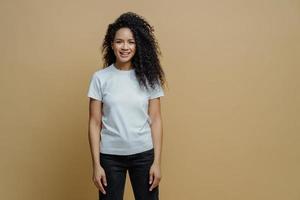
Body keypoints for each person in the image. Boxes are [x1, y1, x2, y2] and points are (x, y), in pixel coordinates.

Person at [87, 12, 167, 200]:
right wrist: (96, 165)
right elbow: (94, 123)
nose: (125, 47)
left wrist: (157, 162)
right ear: (111, 44)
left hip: (144, 155)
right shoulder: (100, 78)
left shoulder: (150, 78)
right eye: (119, 41)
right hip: (110, 158)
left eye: (131, 42)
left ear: (138, 45)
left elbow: (156, 120)